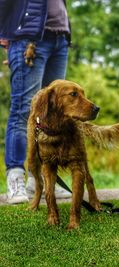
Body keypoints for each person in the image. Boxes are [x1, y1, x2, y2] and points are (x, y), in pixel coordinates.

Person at [0, 0, 72, 204]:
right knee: (23, 112)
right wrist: (7, 37)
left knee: (51, 115)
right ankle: (15, 179)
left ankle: (41, 179)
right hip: (29, 40)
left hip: (60, 39)